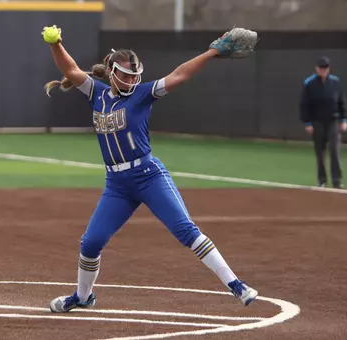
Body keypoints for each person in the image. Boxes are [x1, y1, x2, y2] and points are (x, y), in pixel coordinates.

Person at [41, 25, 259, 313]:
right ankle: (83, 297)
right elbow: (70, 70)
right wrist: (55, 43)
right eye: (126, 74)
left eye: (134, 74)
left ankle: (236, 285)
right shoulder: (97, 93)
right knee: (91, 242)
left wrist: (211, 53)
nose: (132, 78)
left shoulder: (142, 95)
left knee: (185, 230)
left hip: (148, 176)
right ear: (111, 70)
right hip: (117, 184)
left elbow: (179, 74)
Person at [299, 56, 347, 189]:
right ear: (316, 69)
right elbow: (304, 104)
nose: (323, 70)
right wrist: (307, 123)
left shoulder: (335, 82)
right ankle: (322, 180)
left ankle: (337, 181)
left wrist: (344, 120)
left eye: (325, 68)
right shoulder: (309, 83)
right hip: (317, 121)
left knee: (334, 150)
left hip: (333, 120)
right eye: (321, 68)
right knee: (320, 152)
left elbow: (341, 101)